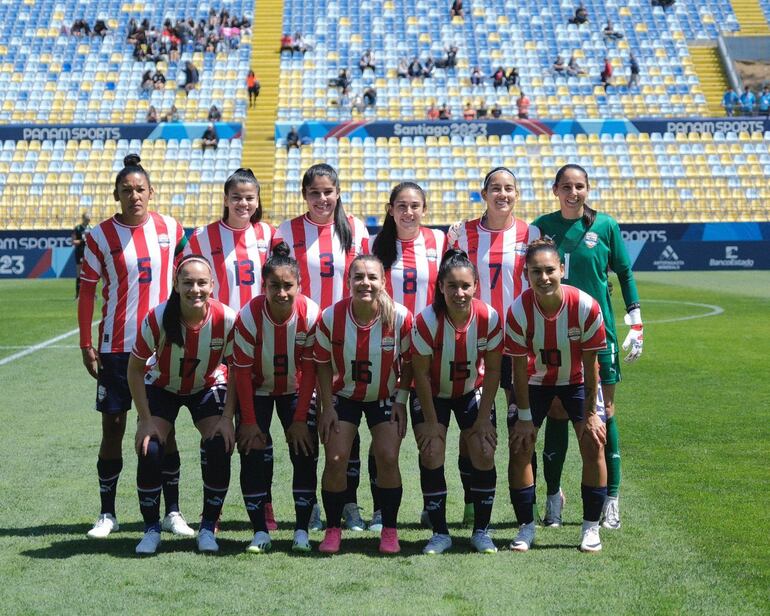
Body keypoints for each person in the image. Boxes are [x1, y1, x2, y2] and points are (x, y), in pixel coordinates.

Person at [78, 154, 192, 541]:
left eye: (140, 189)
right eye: (126, 190)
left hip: (161, 347)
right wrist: (85, 341)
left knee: (166, 429)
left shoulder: (171, 229)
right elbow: (88, 291)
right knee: (113, 427)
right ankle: (107, 513)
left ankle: (172, 511)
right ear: (116, 195)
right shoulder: (100, 236)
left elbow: (189, 278)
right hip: (115, 346)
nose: (134, 196)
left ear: (151, 191)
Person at [533, 164, 644, 530]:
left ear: (587, 189)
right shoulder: (542, 226)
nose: (573, 192)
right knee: (556, 411)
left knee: (605, 414)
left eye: (579, 186)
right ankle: (553, 497)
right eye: (566, 186)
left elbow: (624, 273)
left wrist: (635, 319)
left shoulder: (605, 226)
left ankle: (611, 498)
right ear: (555, 190)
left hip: (598, 336)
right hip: (553, 335)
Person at [184, 169, 292, 530]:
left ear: (258, 200)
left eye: (250, 198)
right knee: (217, 432)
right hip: (219, 345)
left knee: (256, 431)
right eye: (237, 197)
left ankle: (265, 506)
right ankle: (210, 511)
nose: (243, 203)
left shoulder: (269, 235)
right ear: (226, 199)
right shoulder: (202, 237)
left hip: (260, 345)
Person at [273, 164, 370, 531]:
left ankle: (350, 504)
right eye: (315, 193)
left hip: (346, 339)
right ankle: (309, 505)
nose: (322, 199)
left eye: (328, 192)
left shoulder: (355, 230)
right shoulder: (287, 231)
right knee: (310, 423)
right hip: (303, 338)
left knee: (348, 425)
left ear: (338, 192)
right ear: (305, 195)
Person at [448, 168, 540, 523]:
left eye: (509, 188)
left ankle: (525, 506)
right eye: (495, 188)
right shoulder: (462, 234)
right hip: (475, 344)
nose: (503, 194)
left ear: (517, 193)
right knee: (474, 426)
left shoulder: (531, 234)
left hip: (519, 345)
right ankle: (472, 501)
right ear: (483, 193)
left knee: (522, 423)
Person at [129, 254, 237, 554]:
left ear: (212, 285)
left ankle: (207, 528)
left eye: (202, 283)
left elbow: (239, 368)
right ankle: (151, 529)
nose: (195, 289)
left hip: (206, 385)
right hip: (162, 386)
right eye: (187, 282)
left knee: (219, 443)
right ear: (176, 285)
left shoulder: (226, 319)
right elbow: (135, 369)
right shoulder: (158, 317)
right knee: (150, 447)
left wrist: (228, 417)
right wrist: (145, 419)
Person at [505, 239, 608, 552]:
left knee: (593, 443)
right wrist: (523, 418)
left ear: (562, 270)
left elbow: (592, 368)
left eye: (550, 269)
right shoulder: (519, 310)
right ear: (527, 275)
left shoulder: (586, 306)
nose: (544, 277)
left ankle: (591, 528)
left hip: (577, 381)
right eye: (536, 271)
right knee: (520, 445)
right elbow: (519, 371)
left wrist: (591, 414)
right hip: (534, 383)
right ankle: (526, 527)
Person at [314, 255, 413, 554]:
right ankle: (333, 528)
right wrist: (327, 406)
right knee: (334, 459)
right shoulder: (331, 317)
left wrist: (402, 399)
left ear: (383, 282)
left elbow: (409, 362)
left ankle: (390, 530)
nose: (365, 283)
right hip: (344, 396)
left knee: (387, 457)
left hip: (384, 396)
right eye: (358, 277)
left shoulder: (399, 316)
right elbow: (320, 363)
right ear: (348, 282)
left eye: (372, 277)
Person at [230, 244, 322, 553]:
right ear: (263, 286)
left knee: (305, 452)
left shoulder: (310, 313)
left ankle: (301, 531)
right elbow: (240, 373)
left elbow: (310, 369)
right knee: (253, 452)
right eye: (274, 286)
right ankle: (259, 532)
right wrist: (250, 422)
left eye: (288, 285)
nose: (281, 293)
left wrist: (299, 420)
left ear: (299, 285)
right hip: (256, 390)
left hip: (295, 390)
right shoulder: (248, 316)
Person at [412, 249, 502, 554]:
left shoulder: (489, 317)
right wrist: (432, 423)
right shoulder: (427, 321)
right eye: (452, 286)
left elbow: (492, 370)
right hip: (432, 393)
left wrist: (482, 419)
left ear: (476, 285)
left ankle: (482, 531)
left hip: (470, 390)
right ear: (441, 287)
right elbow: (420, 376)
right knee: (432, 450)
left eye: (466, 285)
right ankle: (439, 532)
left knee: (484, 449)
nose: (460, 292)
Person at [370, 183, 447, 530]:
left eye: (415, 206)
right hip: (389, 347)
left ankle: (431, 507)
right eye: (401, 205)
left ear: (424, 209)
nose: (408, 212)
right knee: (386, 436)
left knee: (427, 431)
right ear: (390, 209)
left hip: (431, 350)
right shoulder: (375, 245)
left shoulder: (440, 243)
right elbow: (370, 292)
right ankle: (378, 510)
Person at [71, 212, 92, 299]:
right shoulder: (77, 228)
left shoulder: (91, 228)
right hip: (80, 252)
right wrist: (82, 241)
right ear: (83, 219)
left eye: (89, 220)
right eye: (87, 219)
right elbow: (73, 241)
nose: (88, 221)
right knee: (79, 273)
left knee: (89, 273)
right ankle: (78, 294)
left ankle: (90, 294)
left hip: (89, 253)